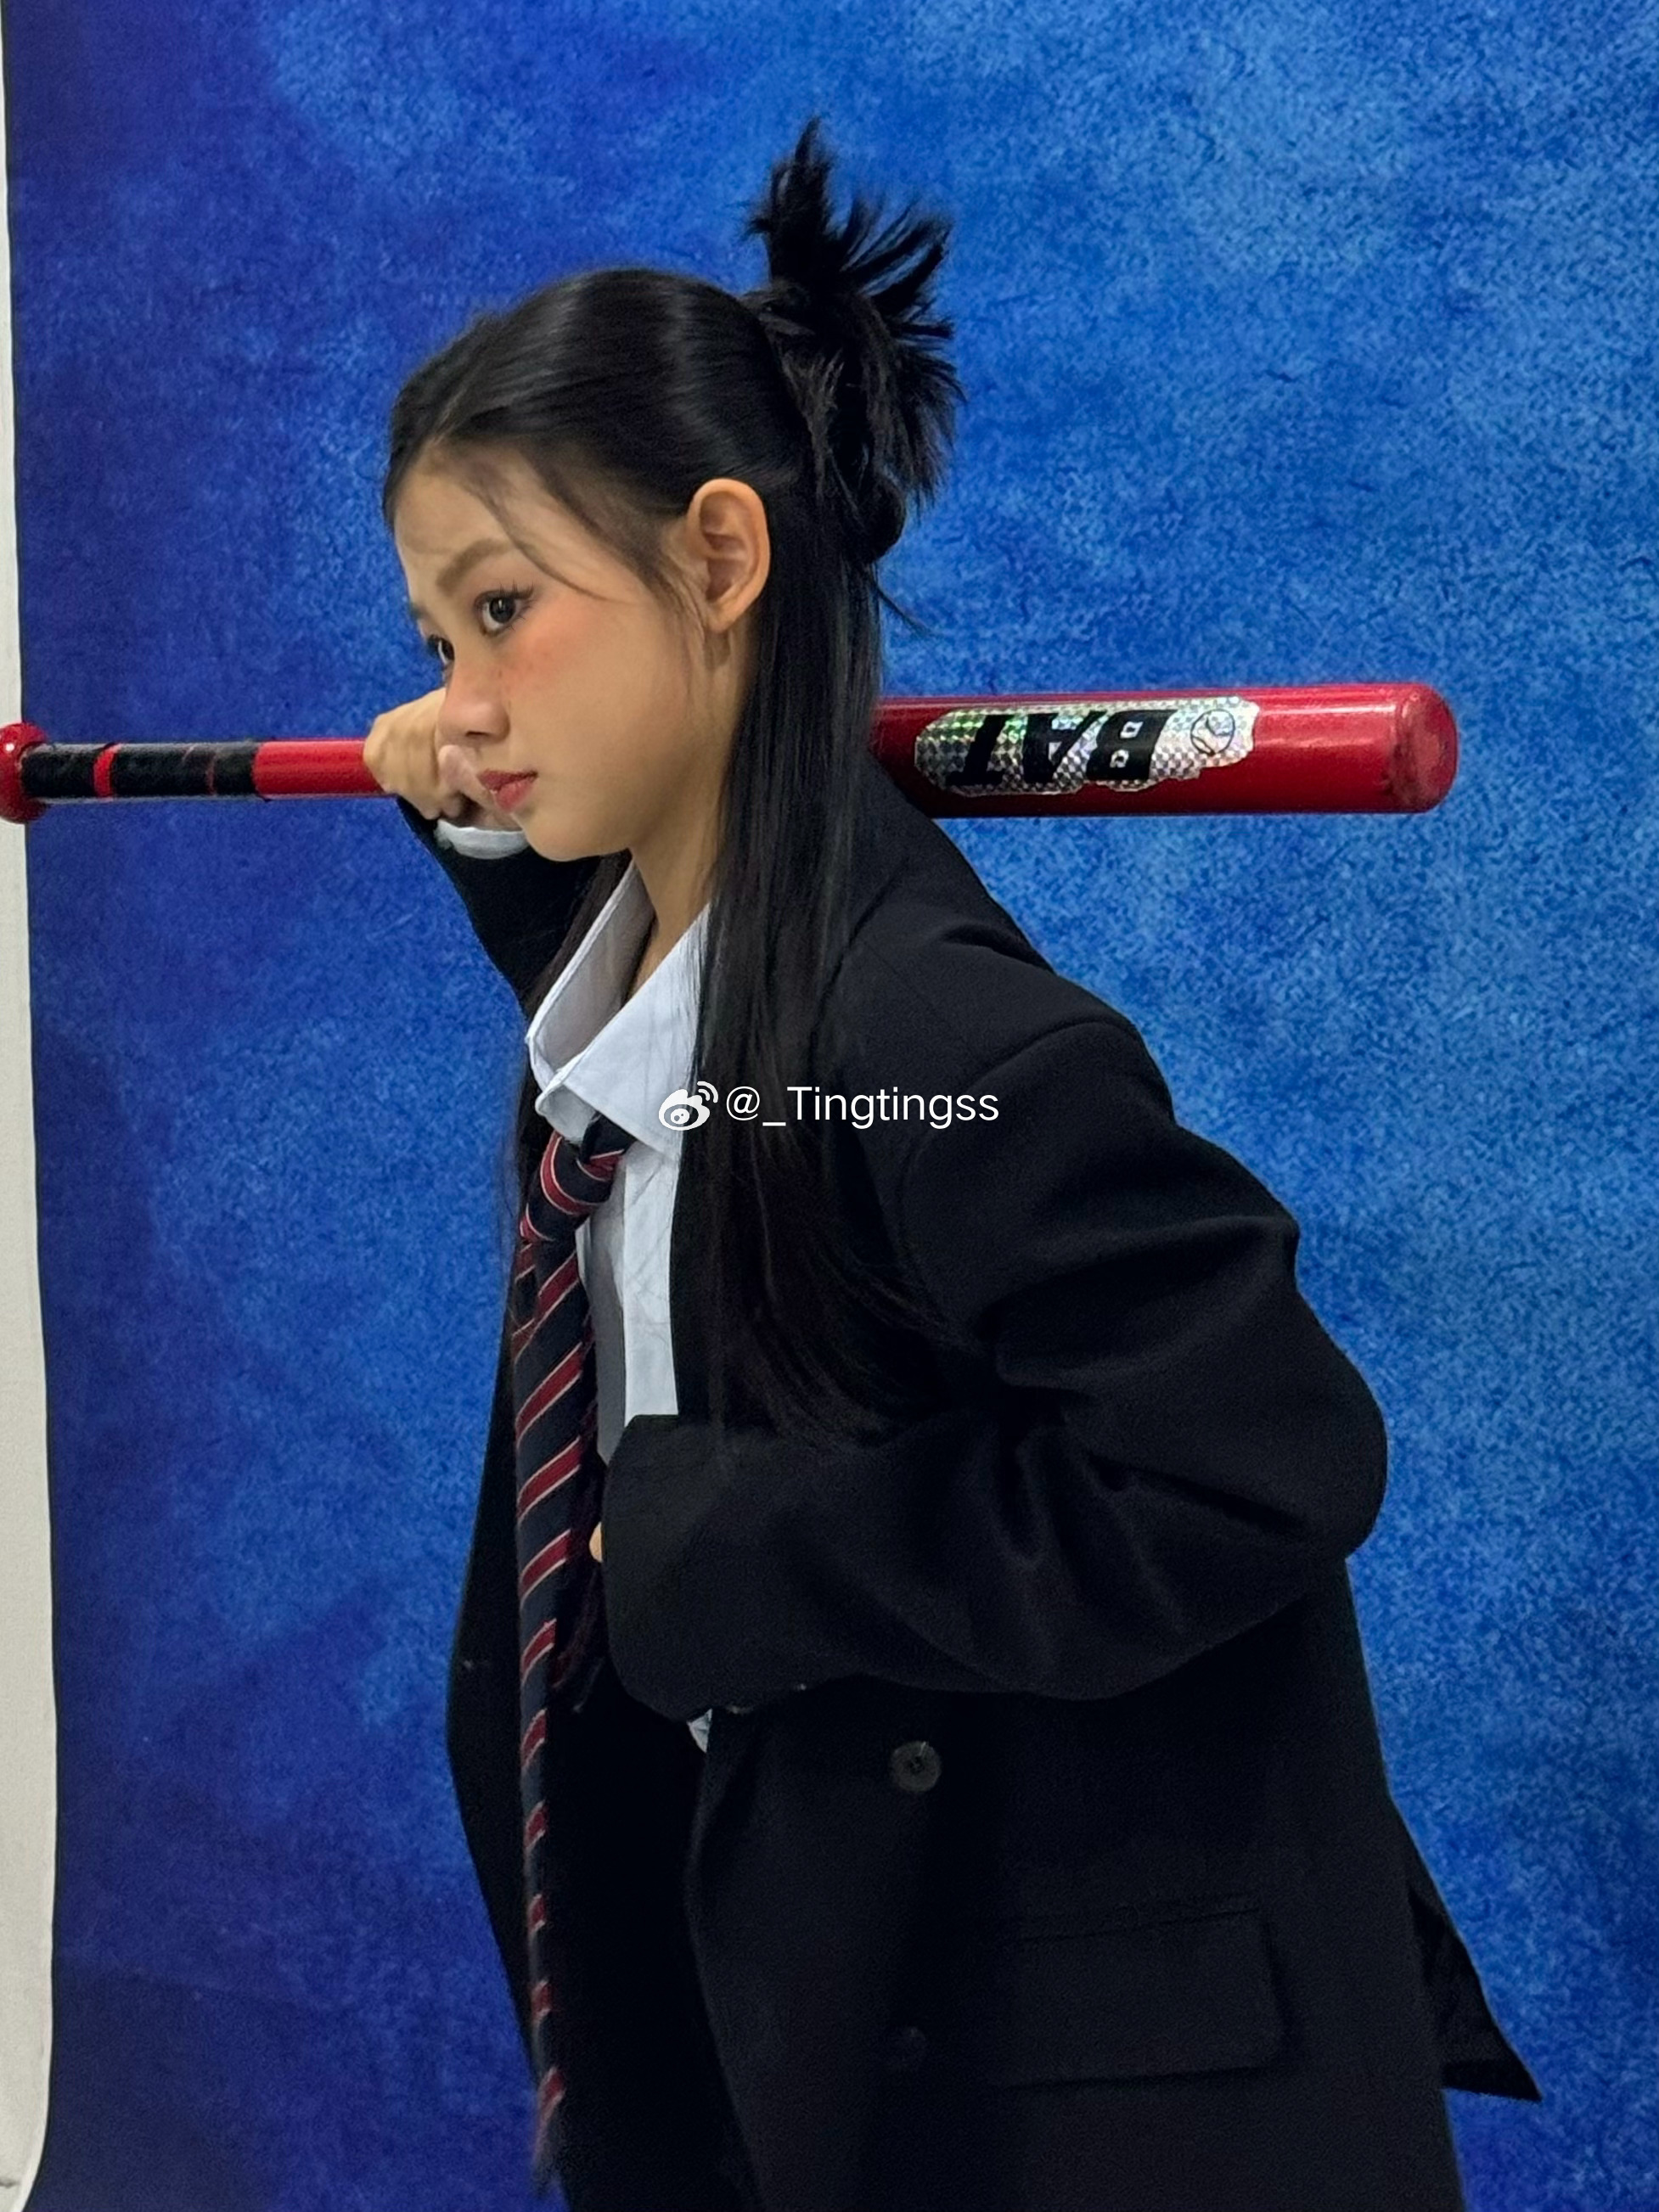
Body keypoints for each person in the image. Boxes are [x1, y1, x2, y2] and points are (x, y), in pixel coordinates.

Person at [363, 115, 1538, 2212]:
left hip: (1075, 2089)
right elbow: (694, 1095)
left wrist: (747, 1548)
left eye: (501, 610)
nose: (457, 701)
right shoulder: (706, 1011)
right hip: (815, 1971)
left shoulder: (936, 1051)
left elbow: (1257, 1464)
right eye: (436, 642)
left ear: (720, 562)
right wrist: (483, 815)